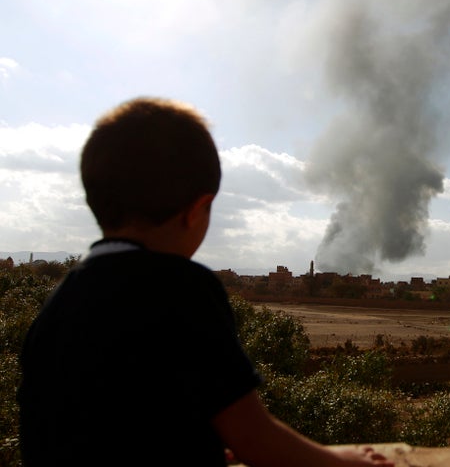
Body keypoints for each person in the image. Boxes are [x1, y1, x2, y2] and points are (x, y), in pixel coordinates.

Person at [18, 97, 394, 467]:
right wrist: (339, 460)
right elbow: (254, 438)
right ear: (197, 211)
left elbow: (101, 426)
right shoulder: (183, 287)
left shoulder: (61, 298)